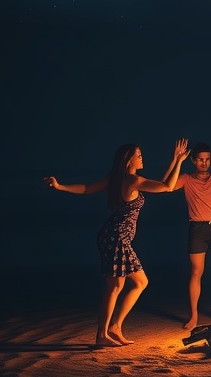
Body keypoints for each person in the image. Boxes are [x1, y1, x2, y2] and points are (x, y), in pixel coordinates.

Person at [43, 140, 190, 347]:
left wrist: (175, 159)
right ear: (129, 159)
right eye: (138, 155)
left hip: (112, 236)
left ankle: (114, 328)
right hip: (117, 238)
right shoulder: (133, 180)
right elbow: (167, 187)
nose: (142, 158)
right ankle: (102, 334)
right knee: (116, 286)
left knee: (137, 282)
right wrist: (180, 164)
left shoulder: (119, 179)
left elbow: (88, 188)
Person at [164, 138, 211, 331]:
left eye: (207, 159)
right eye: (200, 160)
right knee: (196, 272)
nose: (204, 163)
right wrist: (176, 160)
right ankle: (194, 316)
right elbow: (167, 185)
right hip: (197, 229)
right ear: (194, 161)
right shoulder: (186, 179)